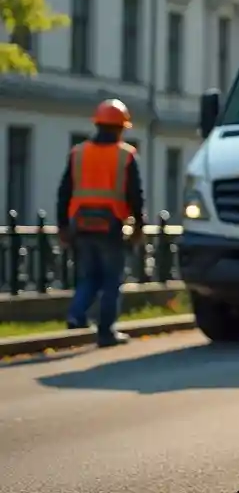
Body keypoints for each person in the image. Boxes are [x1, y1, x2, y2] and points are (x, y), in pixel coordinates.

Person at [56, 98, 145, 348]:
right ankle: (106, 332)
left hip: (81, 224)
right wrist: (139, 225)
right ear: (120, 127)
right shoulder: (125, 155)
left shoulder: (78, 153)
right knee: (110, 280)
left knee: (89, 276)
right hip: (111, 225)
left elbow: (64, 191)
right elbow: (135, 195)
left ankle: (76, 314)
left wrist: (63, 226)